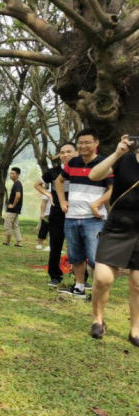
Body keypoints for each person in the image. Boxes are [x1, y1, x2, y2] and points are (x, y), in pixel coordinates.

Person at [88, 134, 139, 343]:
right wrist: (117, 153)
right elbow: (94, 175)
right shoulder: (125, 158)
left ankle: (136, 327)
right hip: (118, 225)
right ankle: (97, 318)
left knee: (138, 283)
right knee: (103, 278)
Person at [56, 129, 113, 298]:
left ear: (96, 143)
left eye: (87, 142)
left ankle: (97, 292)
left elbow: (113, 189)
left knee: (95, 258)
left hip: (94, 219)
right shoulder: (73, 162)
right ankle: (79, 287)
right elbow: (59, 181)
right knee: (75, 255)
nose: (83, 146)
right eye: (80, 143)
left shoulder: (104, 163)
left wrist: (98, 202)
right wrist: (62, 201)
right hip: (71, 217)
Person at [35, 142, 76, 287]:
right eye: (62, 152)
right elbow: (37, 184)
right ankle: (55, 276)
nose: (65, 155)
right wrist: (49, 194)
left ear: (76, 153)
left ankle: (80, 278)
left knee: (76, 247)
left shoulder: (81, 171)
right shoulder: (54, 172)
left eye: (69, 152)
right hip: (57, 214)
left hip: (77, 214)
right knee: (55, 246)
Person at [3, 167, 23, 246]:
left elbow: (18, 196)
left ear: (17, 175)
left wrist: (13, 205)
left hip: (12, 210)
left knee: (7, 225)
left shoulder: (17, 184)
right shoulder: (17, 183)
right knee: (15, 226)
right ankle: (19, 242)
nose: (11, 175)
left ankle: (7, 242)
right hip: (16, 209)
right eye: (10, 173)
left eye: (13, 173)